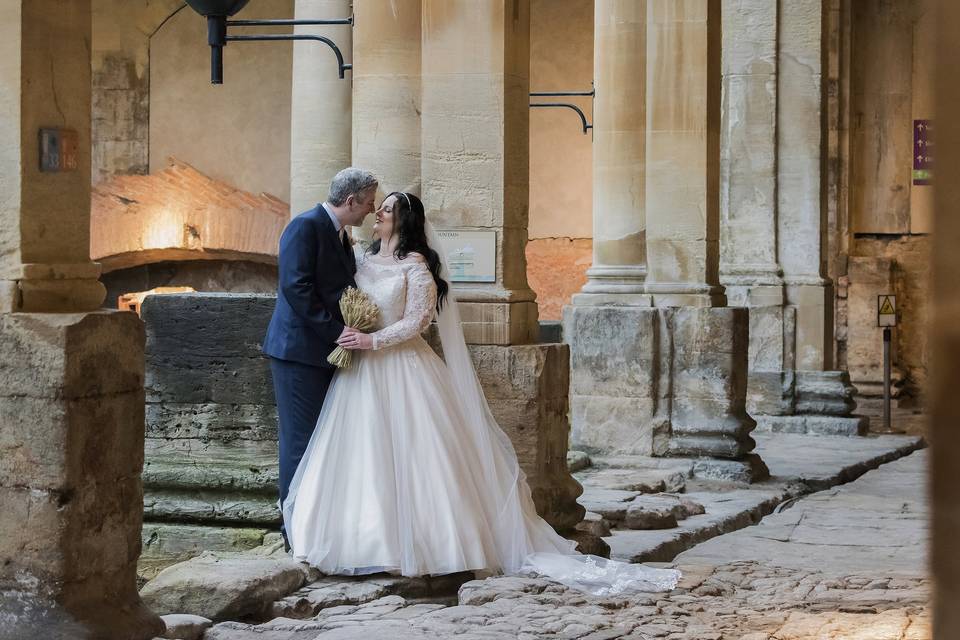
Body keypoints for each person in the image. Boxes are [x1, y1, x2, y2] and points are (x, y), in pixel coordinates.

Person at [282, 192, 680, 595]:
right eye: (378, 207)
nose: (377, 214)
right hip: (360, 375)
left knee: (417, 456)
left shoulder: (417, 267)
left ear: (403, 222)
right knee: (360, 454)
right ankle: (353, 538)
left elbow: (417, 322)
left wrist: (373, 342)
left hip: (402, 367)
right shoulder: (361, 261)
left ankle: (426, 547)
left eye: (386, 210)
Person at [262, 167, 378, 551]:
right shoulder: (305, 226)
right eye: (369, 202)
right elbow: (295, 286)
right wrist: (336, 331)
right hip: (298, 352)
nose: (371, 211)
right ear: (351, 201)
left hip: (323, 353)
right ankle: (292, 527)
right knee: (299, 440)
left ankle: (316, 522)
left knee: (321, 440)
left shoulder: (342, 235)